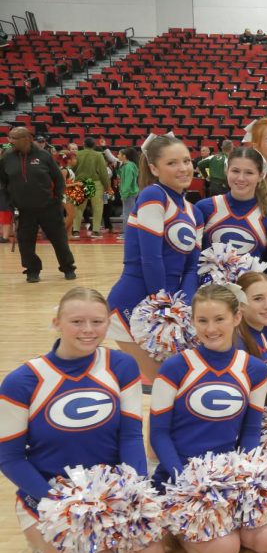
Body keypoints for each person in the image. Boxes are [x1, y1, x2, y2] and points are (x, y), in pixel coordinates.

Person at [0, 287, 165, 553]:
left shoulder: (121, 365)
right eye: (76, 322)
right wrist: (56, 503)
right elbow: (9, 457)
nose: (88, 331)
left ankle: (95, 545)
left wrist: (134, 491)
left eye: (97, 322)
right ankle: (42, 544)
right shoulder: (22, 381)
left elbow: (129, 435)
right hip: (50, 497)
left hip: (110, 494)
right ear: (56, 323)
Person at [150, 283, 267, 553]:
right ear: (192, 321)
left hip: (228, 473)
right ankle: (175, 524)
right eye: (202, 321)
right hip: (182, 476)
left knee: (265, 541)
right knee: (224, 551)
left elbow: (251, 430)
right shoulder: (174, 367)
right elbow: (158, 434)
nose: (210, 329)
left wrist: (244, 476)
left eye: (219, 319)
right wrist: (185, 483)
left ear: (236, 318)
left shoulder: (253, 369)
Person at [106, 133, 198, 383]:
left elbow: (191, 268)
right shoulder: (152, 196)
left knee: (179, 384)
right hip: (136, 302)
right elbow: (151, 258)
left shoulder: (194, 211)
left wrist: (183, 309)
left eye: (187, 161)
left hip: (170, 304)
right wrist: (163, 309)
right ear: (154, 168)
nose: (183, 168)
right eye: (172, 163)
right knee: (166, 384)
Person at [194, 147, 267, 292]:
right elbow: (191, 261)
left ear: (261, 175)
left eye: (249, 173)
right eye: (235, 171)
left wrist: (262, 294)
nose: (240, 178)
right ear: (227, 171)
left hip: (249, 300)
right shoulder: (205, 208)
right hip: (209, 296)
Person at [0, 127, 76, 282]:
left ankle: (67, 267)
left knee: (59, 239)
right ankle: (32, 270)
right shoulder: (6, 157)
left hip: (49, 207)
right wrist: (9, 203)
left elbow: (58, 179)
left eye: (14, 138)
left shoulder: (44, 155)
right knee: (25, 242)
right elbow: (2, 182)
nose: (10, 141)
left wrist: (57, 199)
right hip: (24, 209)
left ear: (26, 138)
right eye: (10, 137)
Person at [72, 137, 110, 238]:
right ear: (94, 145)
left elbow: (72, 168)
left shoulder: (77, 154)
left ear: (83, 144)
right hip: (95, 182)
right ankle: (96, 231)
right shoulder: (98, 155)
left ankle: (75, 230)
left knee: (78, 208)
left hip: (80, 182)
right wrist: (107, 186)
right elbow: (103, 172)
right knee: (97, 208)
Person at [116, 147, 140, 237]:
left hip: (129, 193)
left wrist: (124, 193)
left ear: (124, 156)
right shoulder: (127, 165)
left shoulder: (129, 166)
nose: (117, 155)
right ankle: (129, 232)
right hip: (130, 192)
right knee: (129, 213)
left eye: (119, 154)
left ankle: (127, 233)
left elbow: (127, 181)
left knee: (127, 213)